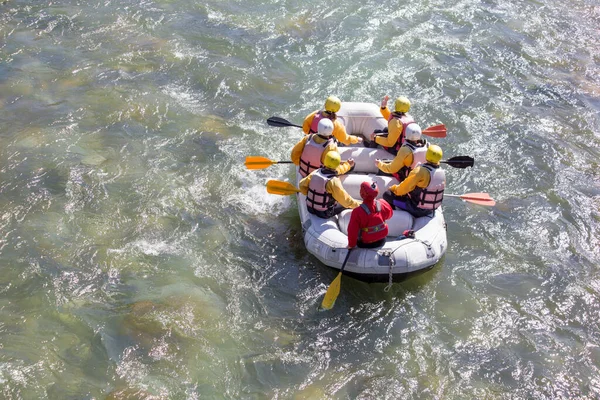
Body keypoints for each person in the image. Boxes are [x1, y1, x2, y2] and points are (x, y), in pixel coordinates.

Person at [382, 144, 446, 218]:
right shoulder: (442, 173)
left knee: (387, 195)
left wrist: (393, 188)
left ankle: (393, 214)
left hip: (417, 208)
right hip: (432, 209)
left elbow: (403, 188)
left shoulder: (420, 171)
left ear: (427, 155)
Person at [299, 151, 361, 219]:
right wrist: (360, 204)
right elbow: (346, 201)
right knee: (344, 206)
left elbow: (301, 185)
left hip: (310, 208)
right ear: (337, 164)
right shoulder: (333, 181)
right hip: (324, 213)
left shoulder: (315, 172)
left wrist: (311, 194)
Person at [347, 181, 394, 249]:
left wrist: (351, 245)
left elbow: (352, 231)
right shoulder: (383, 203)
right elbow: (389, 215)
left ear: (362, 193)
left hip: (365, 243)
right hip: (382, 240)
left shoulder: (357, 212)